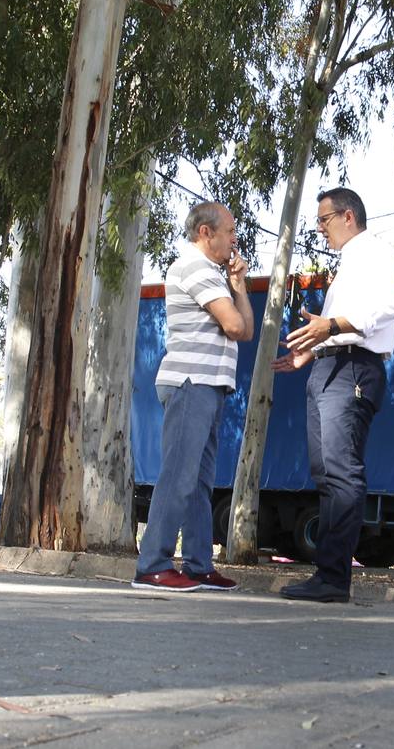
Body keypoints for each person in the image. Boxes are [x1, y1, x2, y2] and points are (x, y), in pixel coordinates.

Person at [274, 188, 394, 602]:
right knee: (325, 472)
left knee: (342, 472)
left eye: (324, 221)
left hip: (353, 370)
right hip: (329, 367)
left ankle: (334, 579)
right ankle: (326, 575)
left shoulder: (377, 253)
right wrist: (310, 353)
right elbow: (332, 329)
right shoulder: (348, 264)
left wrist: (329, 327)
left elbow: (385, 309)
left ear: (348, 216)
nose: (320, 230)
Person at [132, 202, 253, 593]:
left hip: (210, 383)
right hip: (190, 382)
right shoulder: (193, 267)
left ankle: (199, 566)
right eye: (230, 231)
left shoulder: (216, 275)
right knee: (178, 477)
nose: (235, 238)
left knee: (200, 482)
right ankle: (152, 565)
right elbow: (235, 324)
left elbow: (247, 329)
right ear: (206, 232)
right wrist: (232, 298)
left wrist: (238, 285)